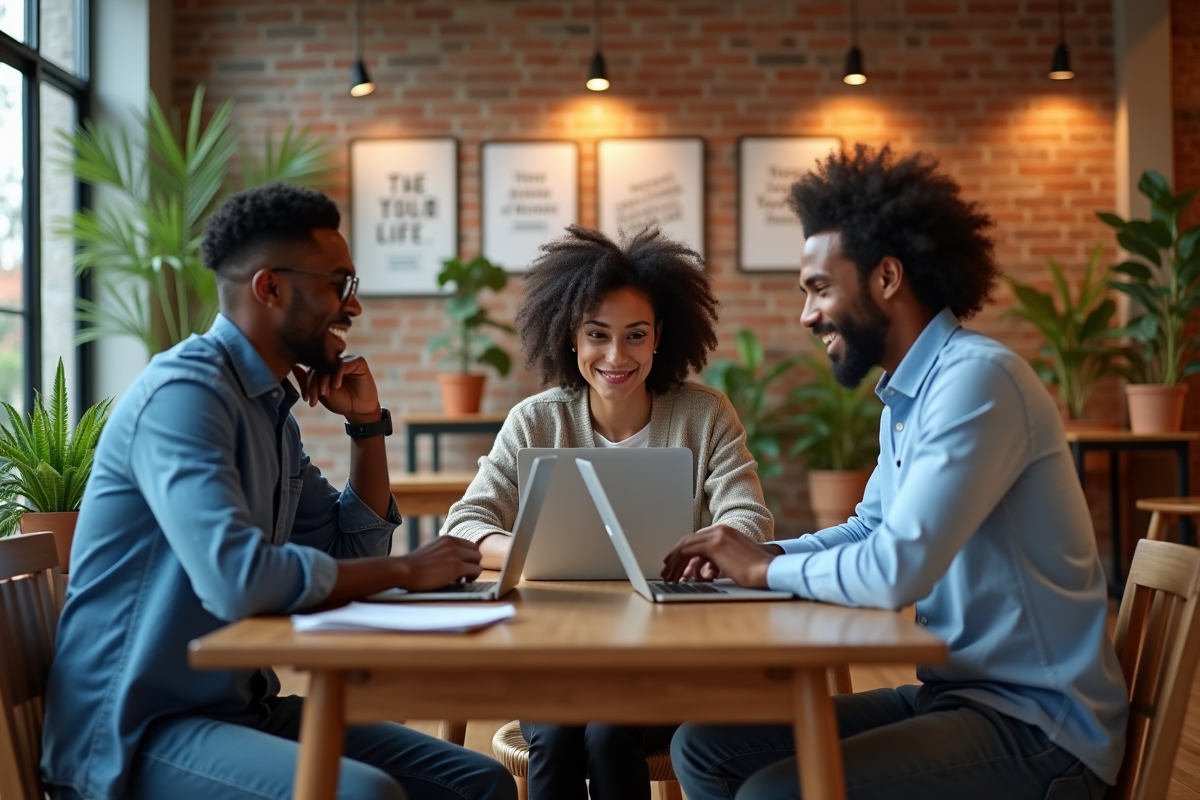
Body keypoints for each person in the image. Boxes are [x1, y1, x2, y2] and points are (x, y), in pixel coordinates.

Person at [660, 144, 1130, 800]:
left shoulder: (977, 382)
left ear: (886, 277)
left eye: (820, 288)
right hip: (956, 697)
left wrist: (761, 572)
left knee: (774, 791)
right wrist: (763, 554)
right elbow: (869, 531)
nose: (807, 315)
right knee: (706, 747)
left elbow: (895, 570)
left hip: (1038, 728)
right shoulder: (908, 398)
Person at [40, 183, 516, 800]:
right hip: (136, 733)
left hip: (242, 712)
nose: (354, 306)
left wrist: (366, 427)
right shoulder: (184, 397)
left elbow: (350, 554)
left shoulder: (269, 413)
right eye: (338, 284)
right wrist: (408, 569)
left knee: (478, 781)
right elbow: (238, 579)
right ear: (270, 288)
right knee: (366, 796)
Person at [443, 224, 773, 800]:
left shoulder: (705, 415)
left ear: (659, 337)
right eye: (598, 335)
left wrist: (711, 549)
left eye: (635, 336)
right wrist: (527, 549)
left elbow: (749, 518)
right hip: (557, 656)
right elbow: (465, 524)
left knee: (607, 732)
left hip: (669, 657)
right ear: (571, 337)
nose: (616, 356)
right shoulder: (535, 421)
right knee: (559, 733)